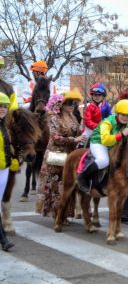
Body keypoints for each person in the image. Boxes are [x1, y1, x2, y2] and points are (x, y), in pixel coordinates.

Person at [36, 90, 86, 218]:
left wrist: (84, 134)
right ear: (61, 105)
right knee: (56, 185)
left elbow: (77, 133)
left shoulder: (74, 117)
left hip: (70, 155)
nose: (72, 106)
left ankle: (64, 214)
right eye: (68, 103)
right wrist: (74, 139)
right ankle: (57, 215)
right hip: (56, 154)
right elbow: (55, 137)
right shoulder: (54, 118)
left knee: (68, 183)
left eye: (73, 103)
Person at [76, 99, 128, 193]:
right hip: (99, 143)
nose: (125, 118)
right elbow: (106, 140)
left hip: (113, 145)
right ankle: (82, 177)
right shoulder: (107, 122)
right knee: (104, 161)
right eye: (123, 115)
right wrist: (122, 134)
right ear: (118, 113)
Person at [0, 93, 16, 251]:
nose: (2, 109)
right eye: (0, 106)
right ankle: (3, 239)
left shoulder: (4, 125)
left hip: (4, 168)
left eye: (5, 106)